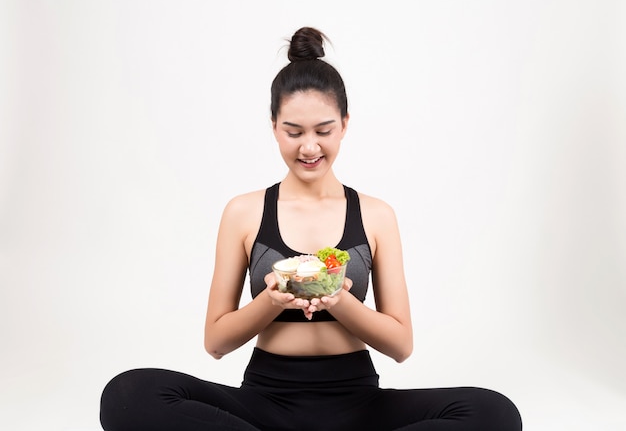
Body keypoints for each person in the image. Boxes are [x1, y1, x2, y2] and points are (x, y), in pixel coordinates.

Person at [100, 27, 522, 430]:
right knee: (128, 393)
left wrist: (338, 299)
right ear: (274, 129)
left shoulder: (376, 215)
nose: (309, 147)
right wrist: (271, 300)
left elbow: (400, 346)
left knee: (494, 413)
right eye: (293, 132)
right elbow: (216, 342)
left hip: (359, 405)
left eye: (324, 130)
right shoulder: (243, 213)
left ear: (345, 124)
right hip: (263, 404)